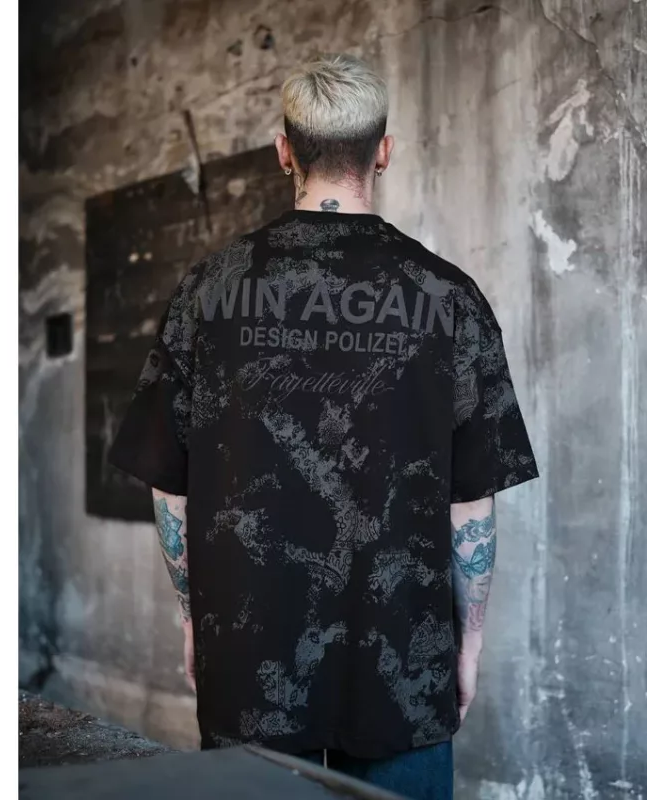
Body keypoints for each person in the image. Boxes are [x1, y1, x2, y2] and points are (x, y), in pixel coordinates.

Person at [109, 53, 538, 800]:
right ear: (383, 151)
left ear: (285, 151)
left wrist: (193, 619)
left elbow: (171, 489)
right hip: (406, 667)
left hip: (249, 661)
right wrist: (467, 643)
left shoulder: (209, 291)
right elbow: (471, 502)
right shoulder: (450, 298)